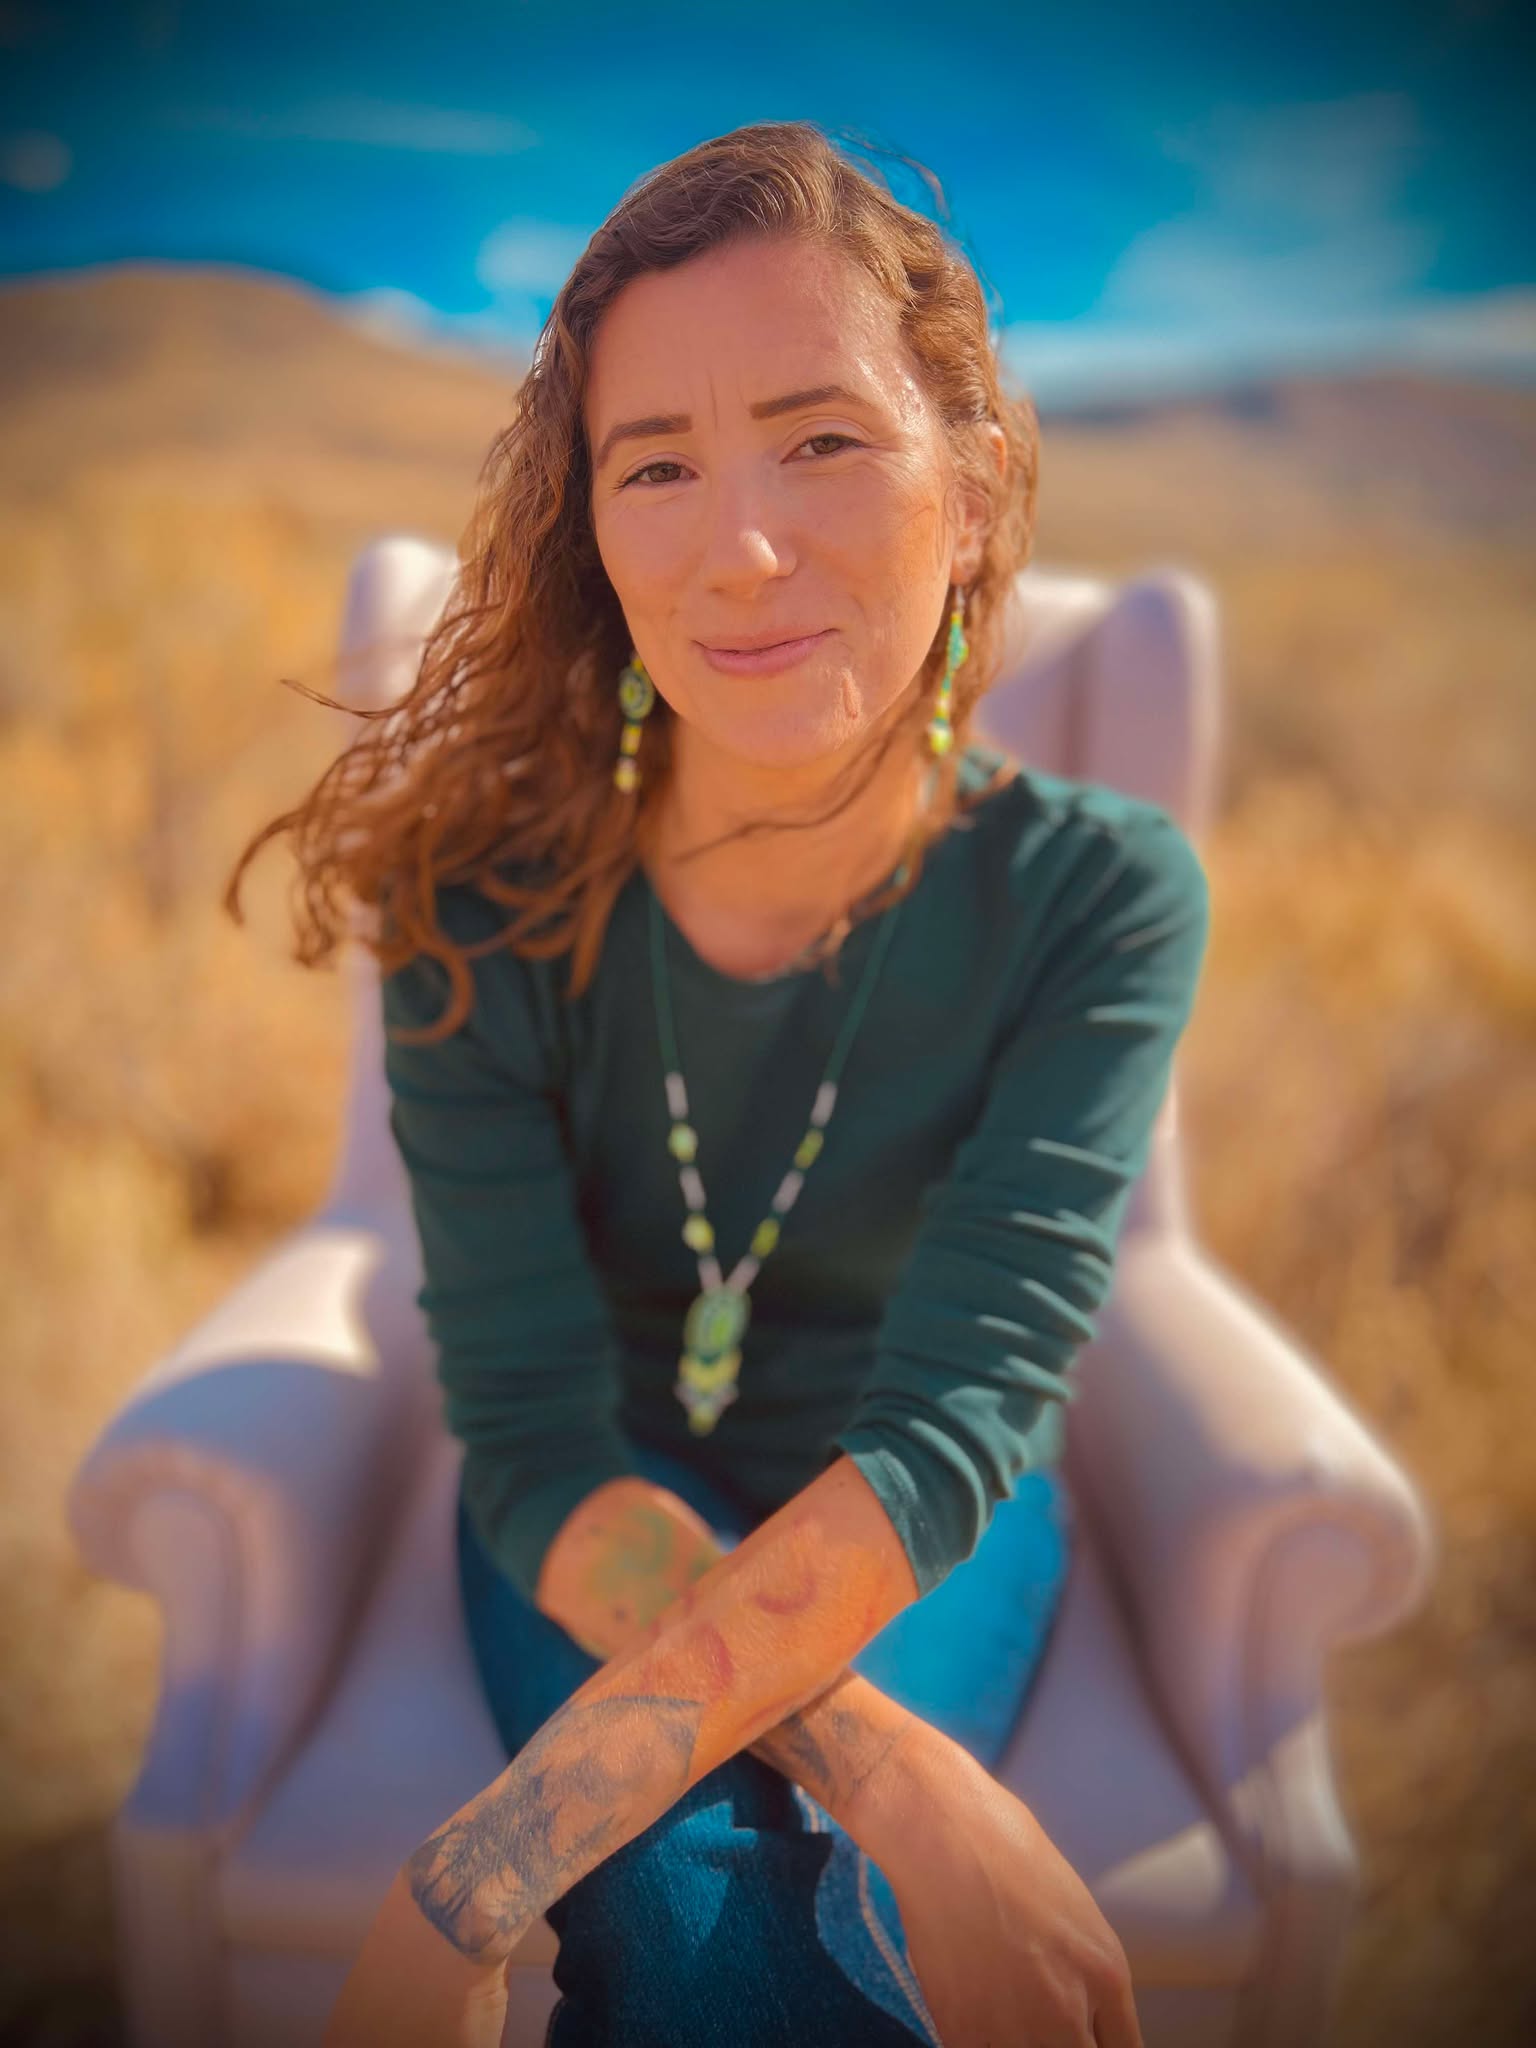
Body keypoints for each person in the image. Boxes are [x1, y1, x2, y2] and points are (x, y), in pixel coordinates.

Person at [226, 119, 1209, 2048]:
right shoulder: (481, 906)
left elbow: (951, 1433)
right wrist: (895, 1775)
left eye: (822, 439)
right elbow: (523, 1427)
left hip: (926, 1508)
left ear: (978, 482)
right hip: (598, 1497)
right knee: (699, 1933)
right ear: (592, 525)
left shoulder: (1095, 892)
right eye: (655, 465)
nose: (740, 546)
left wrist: (479, 1876)